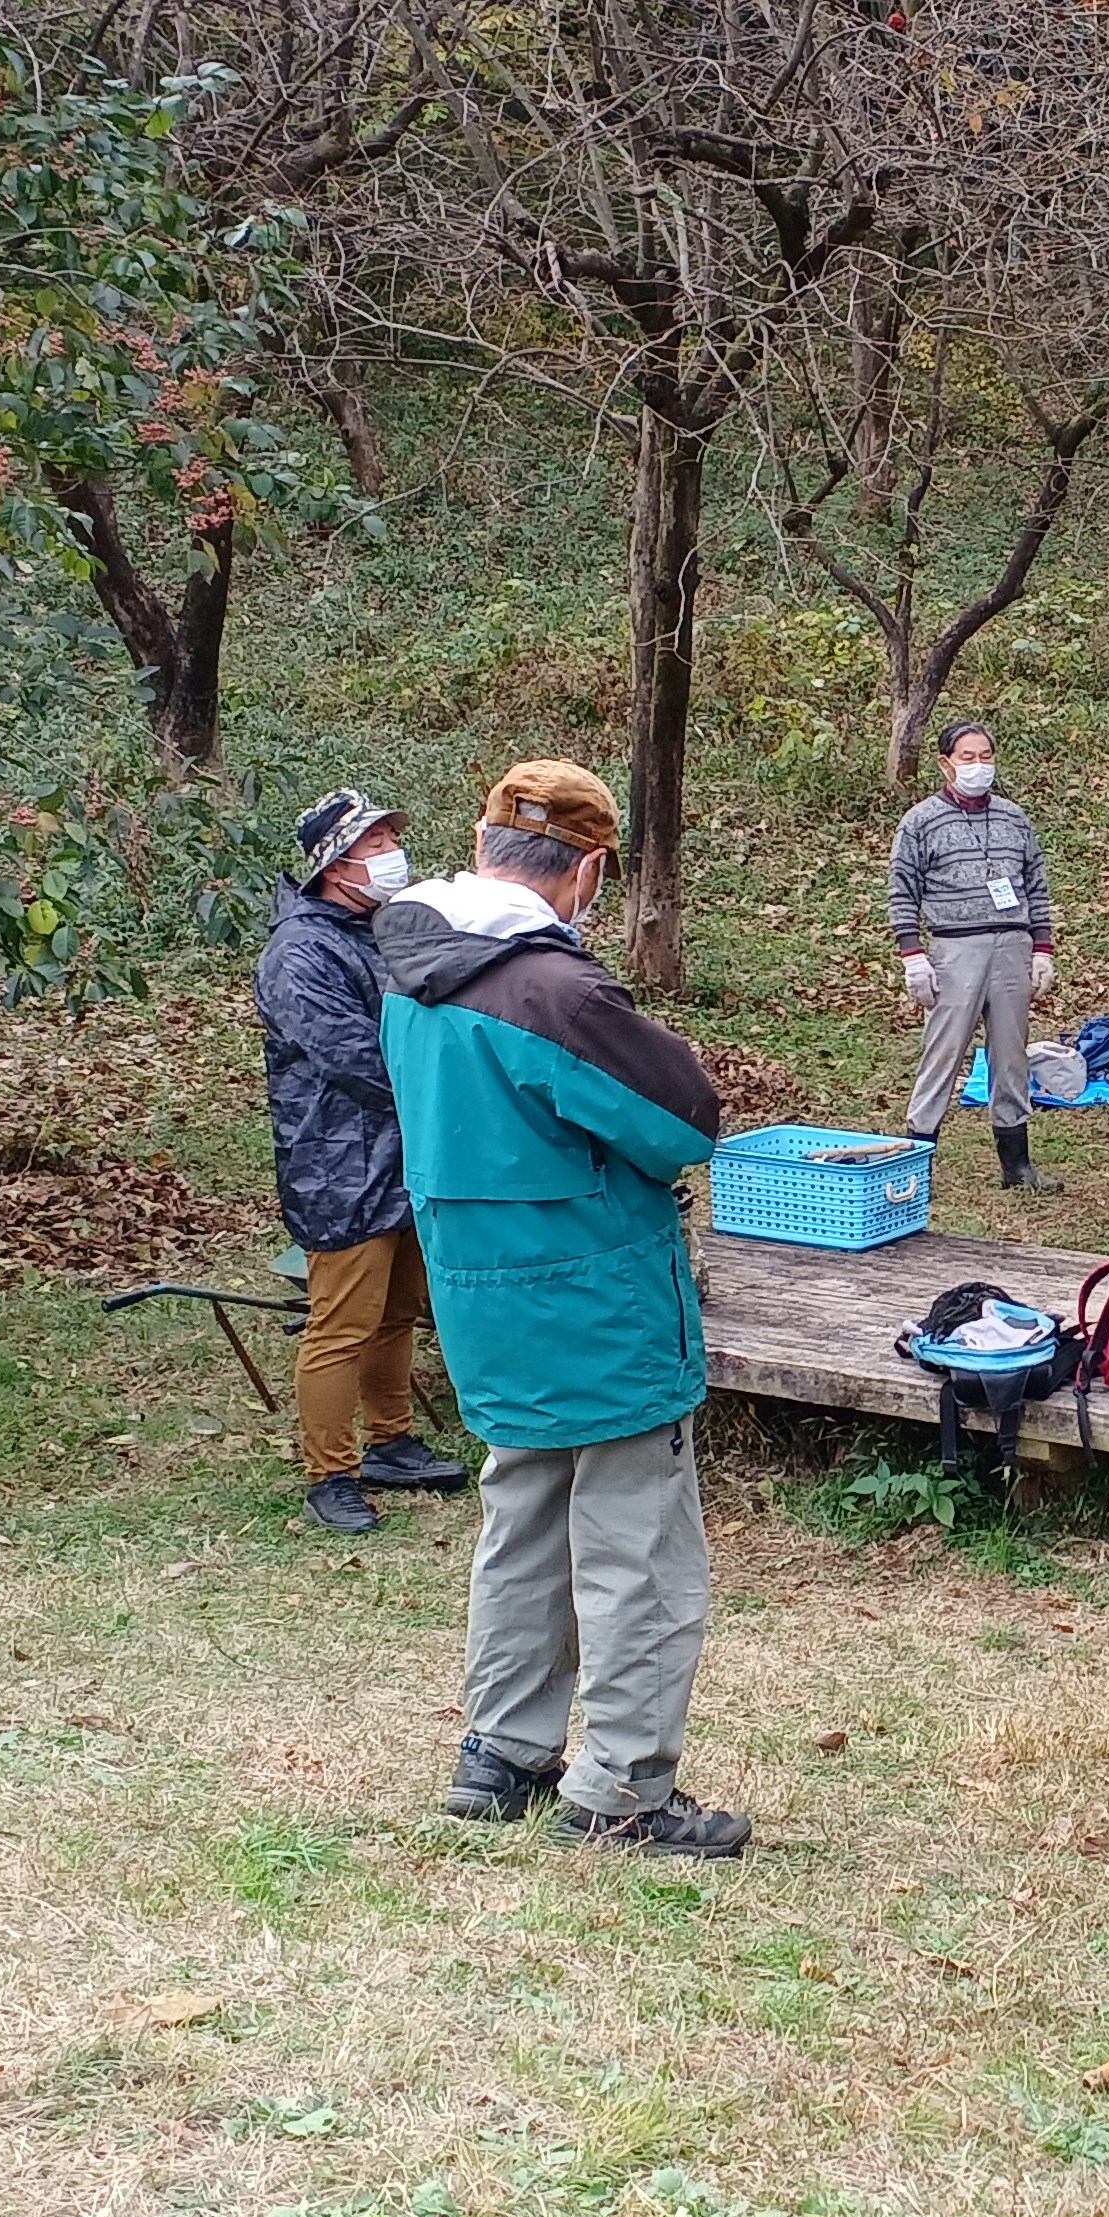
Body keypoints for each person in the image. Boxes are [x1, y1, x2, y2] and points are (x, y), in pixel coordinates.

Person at [375, 760, 746, 1857]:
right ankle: (623, 1785)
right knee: (636, 1547)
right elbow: (683, 1120)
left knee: (522, 1521)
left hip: (483, 1294)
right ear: (586, 869)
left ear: (484, 843)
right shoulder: (553, 990)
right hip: (596, 1296)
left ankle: (501, 1750)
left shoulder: (408, 965)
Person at [256, 787, 470, 1536]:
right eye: (375, 845)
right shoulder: (300, 952)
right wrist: (442, 1090)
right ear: (335, 865)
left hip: (408, 1154)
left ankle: (392, 1440)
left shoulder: (377, 928)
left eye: (388, 839)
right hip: (337, 1163)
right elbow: (352, 1057)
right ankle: (330, 1473)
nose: (390, 855)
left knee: (398, 1311)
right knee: (341, 1324)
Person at [892, 719, 1061, 1191]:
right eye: (968, 758)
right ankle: (915, 1161)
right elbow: (902, 890)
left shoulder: (1013, 818)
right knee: (942, 1054)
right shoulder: (921, 822)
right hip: (955, 948)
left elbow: (1036, 885)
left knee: (1011, 1056)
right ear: (946, 764)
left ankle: (1017, 1165)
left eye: (986, 756)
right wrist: (913, 954)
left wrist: (1041, 948)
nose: (979, 766)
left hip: (1012, 946)